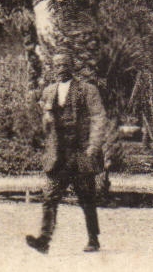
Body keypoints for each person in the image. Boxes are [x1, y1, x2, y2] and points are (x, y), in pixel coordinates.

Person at [26, 53, 106, 253]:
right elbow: (43, 122)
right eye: (57, 64)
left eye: (64, 64)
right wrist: (45, 120)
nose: (60, 68)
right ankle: (44, 239)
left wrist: (93, 146)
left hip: (80, 152)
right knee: (49, 197)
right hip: (58, 154)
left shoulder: (88, 90)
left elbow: (98, 117)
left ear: (71, 66)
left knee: (87, 197)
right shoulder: (49, 91)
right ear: (52, 67)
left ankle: (93, 238)